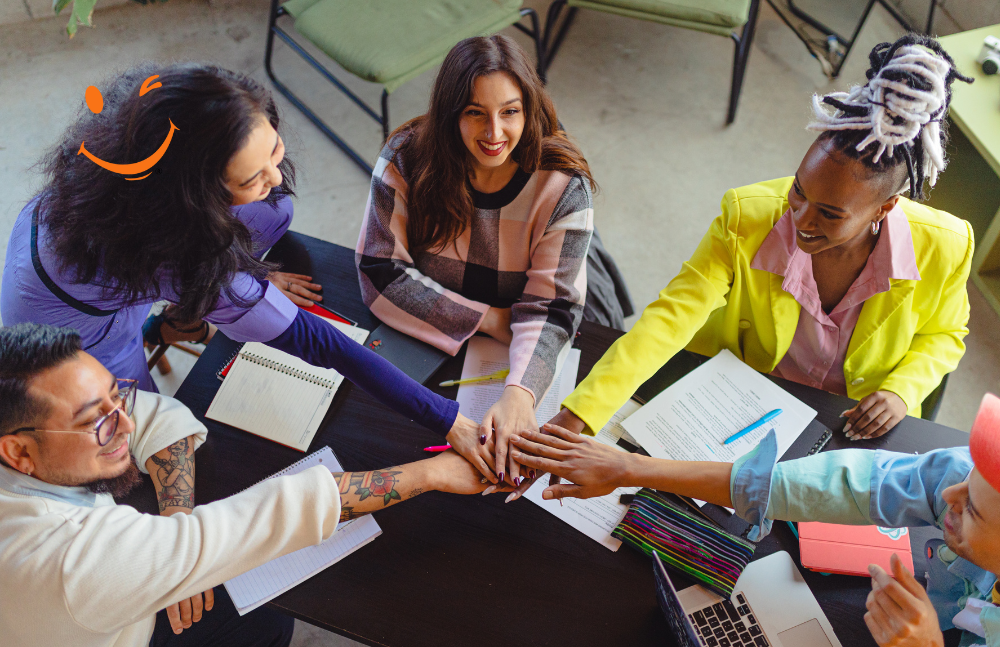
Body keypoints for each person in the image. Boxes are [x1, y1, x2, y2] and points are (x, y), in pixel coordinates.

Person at [0, 62, 493, 480]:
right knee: (139, 440)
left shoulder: (136, 138)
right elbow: (319, 342)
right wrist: (450, 420)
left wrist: (241, 282)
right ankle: (161, 328)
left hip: (88, 257)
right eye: (251, 176)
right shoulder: (176, 251)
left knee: (273, 210)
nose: (275, 176)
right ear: (194, 200)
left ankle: (172, 319)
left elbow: (252, 213)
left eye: (273, 151)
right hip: (78, 336)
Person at [0, 323, 498, 647]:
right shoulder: (67, 558)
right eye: (98, 423)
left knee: (260, 626)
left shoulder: (29, 455)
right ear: (18, 452)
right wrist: (430, 475)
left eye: (117, 396)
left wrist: (176, 521)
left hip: (102, 632)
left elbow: (158, 415)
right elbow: (262, 517)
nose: (125, 425)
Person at [545, 35, 974, 452]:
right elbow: (669, 320)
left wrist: (902, 391)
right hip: (741, 406)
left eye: (829, 213)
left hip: (852, 430)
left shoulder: (945, 247)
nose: (800, 219)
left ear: (885, 209)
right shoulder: (745, 217)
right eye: (800, 190)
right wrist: (581, 413)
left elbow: (945, 334)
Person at [509, 394, 1000, 647]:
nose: (947, 498)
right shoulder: (969, 479)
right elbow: (842, 485)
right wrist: (630, 469)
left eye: (970, 510)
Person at [356, 35, 602, 486]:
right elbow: (377, 272)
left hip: (529, 313)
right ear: (450, 114)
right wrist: (488, 318)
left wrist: (520, 396)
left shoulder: (564, 185)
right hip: (466, 327)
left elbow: (553, 309)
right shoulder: (406, 157)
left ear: (529, 108)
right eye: (475, 113)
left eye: (510, 111)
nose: (494, 134)